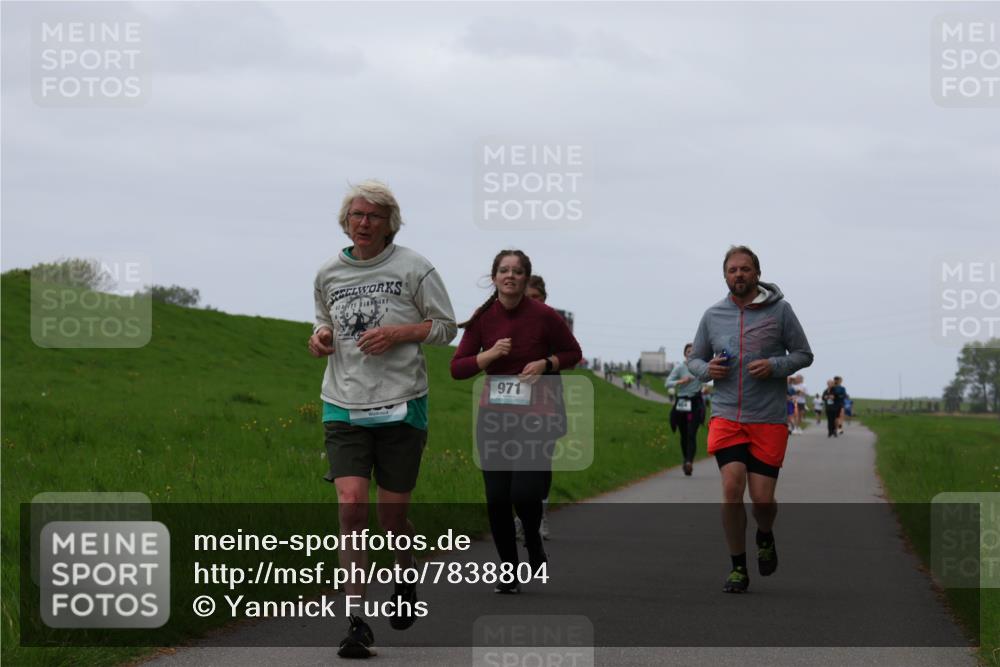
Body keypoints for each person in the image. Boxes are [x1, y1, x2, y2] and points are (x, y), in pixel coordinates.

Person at [309, 180, 457, 658]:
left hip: (402, 401)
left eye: (374, 215)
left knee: (392, 517)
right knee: (352, 507)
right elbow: (321, 319)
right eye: (357, 214)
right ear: (345, 221)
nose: (364, 222)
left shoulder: (415, 267)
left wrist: (399, 333)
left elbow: (446, 328)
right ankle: (356, 622)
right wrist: (321, 337)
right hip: (343, 402)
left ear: (390, 222)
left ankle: (404, 568)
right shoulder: (328, 273)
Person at [451, 251, 582, 593]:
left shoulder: (544, 316)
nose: (510, 275)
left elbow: (573, 353)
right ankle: (508, 570)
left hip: (535, 417)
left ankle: (534, 542)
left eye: (517, 271)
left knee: (524, 493)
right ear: (494, 277)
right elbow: (458, 367)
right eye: (504, 270)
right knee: (496, 498)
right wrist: (489, 355)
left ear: (526, 279)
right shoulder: (483, 319)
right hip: (494, 419)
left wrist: (545, 364)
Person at [687, 246, 813, 594]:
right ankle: (738, 567)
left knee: (762, 500)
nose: (738, 275)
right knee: (731, 489)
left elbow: (804, 354)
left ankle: (765, 534)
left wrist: (775, 366)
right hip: (727, 414)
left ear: (757, 273)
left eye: (745, 269)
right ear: (725, 275)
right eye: (732, 270)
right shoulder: (713, 315)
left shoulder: (780, 312)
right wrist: (706, 370)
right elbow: (694, 360)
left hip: (768, 418)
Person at [665, 343, 706, 476]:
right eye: (688, 351)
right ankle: (685, 459)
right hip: (682, 401)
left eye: (693, 351)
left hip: (695, 402)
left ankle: (689, 462)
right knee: (683, 434)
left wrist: (704, 385)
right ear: (685, 354)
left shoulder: (700, 368)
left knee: (691, 433)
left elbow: (707, 376)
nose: (691, 353)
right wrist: (680, 382)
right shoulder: (680, 368)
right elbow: (667, 383)